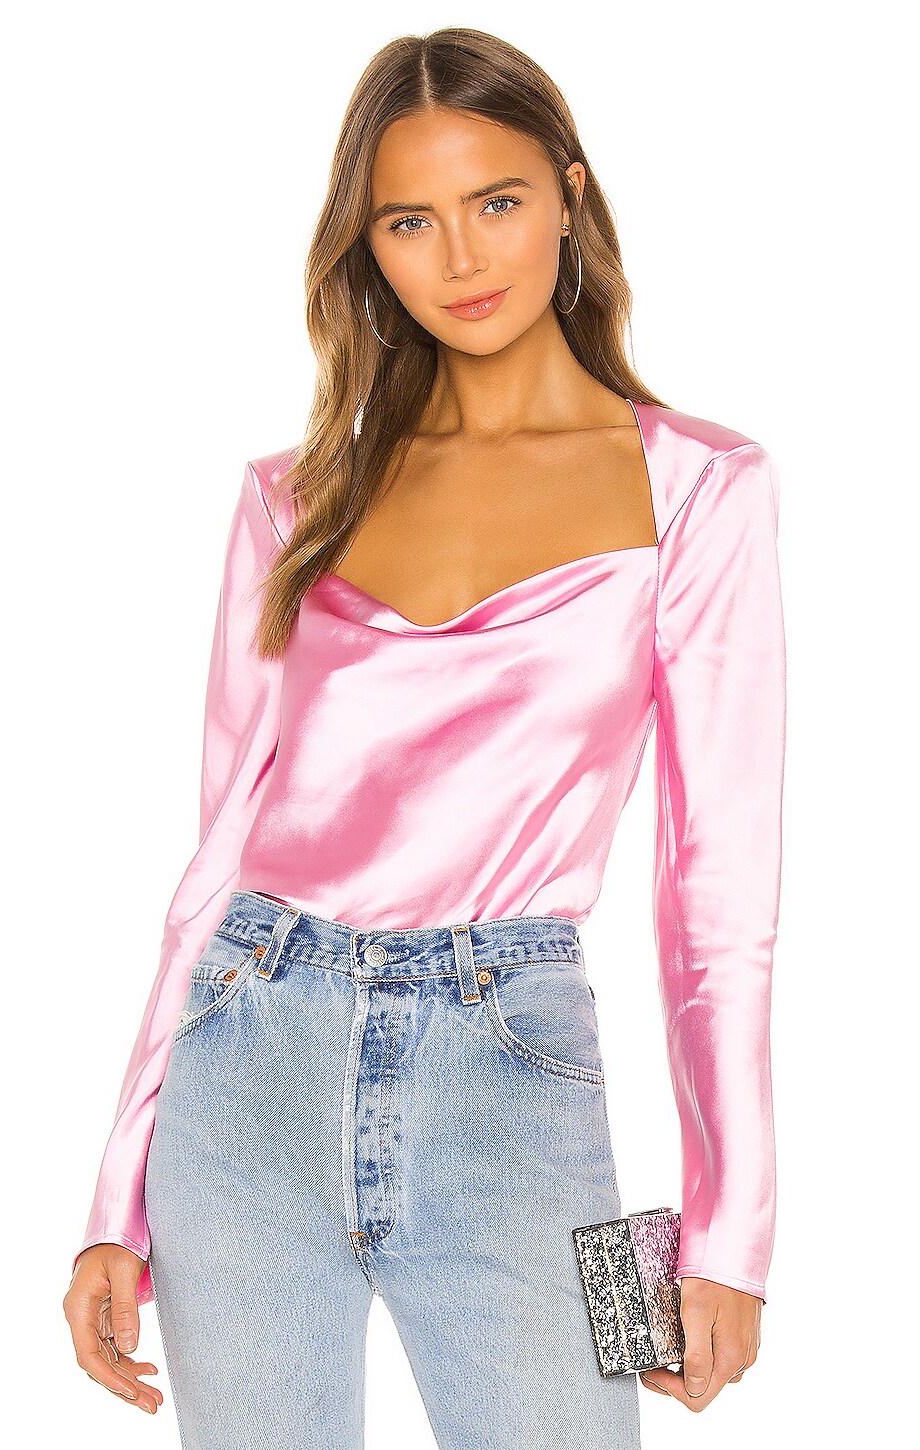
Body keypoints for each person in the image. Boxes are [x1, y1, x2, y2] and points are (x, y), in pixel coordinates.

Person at [63, 26, 786, 1449]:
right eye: (409, 220)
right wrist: (114, 1201)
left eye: (496, 200)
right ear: (369, 245)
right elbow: (214, 859)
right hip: (245, 1058)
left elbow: (717, 892)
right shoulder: (295, 494)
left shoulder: (701, 487)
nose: (461, 257)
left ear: (570, 193)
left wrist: (731, 1230)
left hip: (516, 1060)